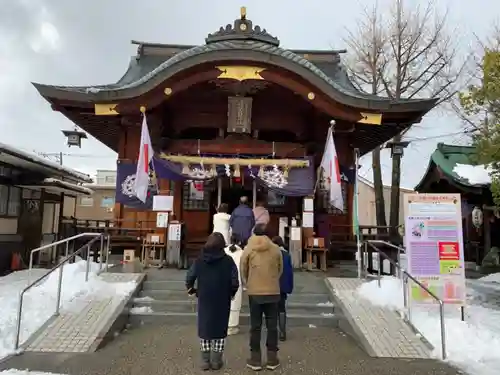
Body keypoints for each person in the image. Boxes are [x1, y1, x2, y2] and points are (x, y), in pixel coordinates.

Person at [186, 232, 239, 371]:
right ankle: (216, 361)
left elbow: (189, 277)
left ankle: (205, 361)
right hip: (222, 299)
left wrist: (192, 290)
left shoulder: (199, 260)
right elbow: (235, 282)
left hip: (205, 298)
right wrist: (231, 293)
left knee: (205, 328)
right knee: (220, 330)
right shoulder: (228, 261)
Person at [240, 223, 283, 371]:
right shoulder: (275, 248)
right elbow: (280, 269)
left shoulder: (249, 248)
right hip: (273, 291)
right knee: (272, 326)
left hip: (255, 292)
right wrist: (273, 280)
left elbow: (243, 268)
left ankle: (255, 359)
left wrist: (249, 282)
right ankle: (272, 359)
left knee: (255, 326)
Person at [271, 236, 294, 341]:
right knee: (281, 308)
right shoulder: (286, 255)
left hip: (272, 285)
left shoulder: (270, 255)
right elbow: (289, 273)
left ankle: (273, 331)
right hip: (282, 286)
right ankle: (282, 332)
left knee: (271, 309)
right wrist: (289, 287)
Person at [224, 234, 244, 335]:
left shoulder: (224, 251)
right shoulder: (242, 253)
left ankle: (224, 324)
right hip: (238, 281)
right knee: (235, 305)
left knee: (224, 304)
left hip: (224, 280)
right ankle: (232, 326)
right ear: (239, 242)